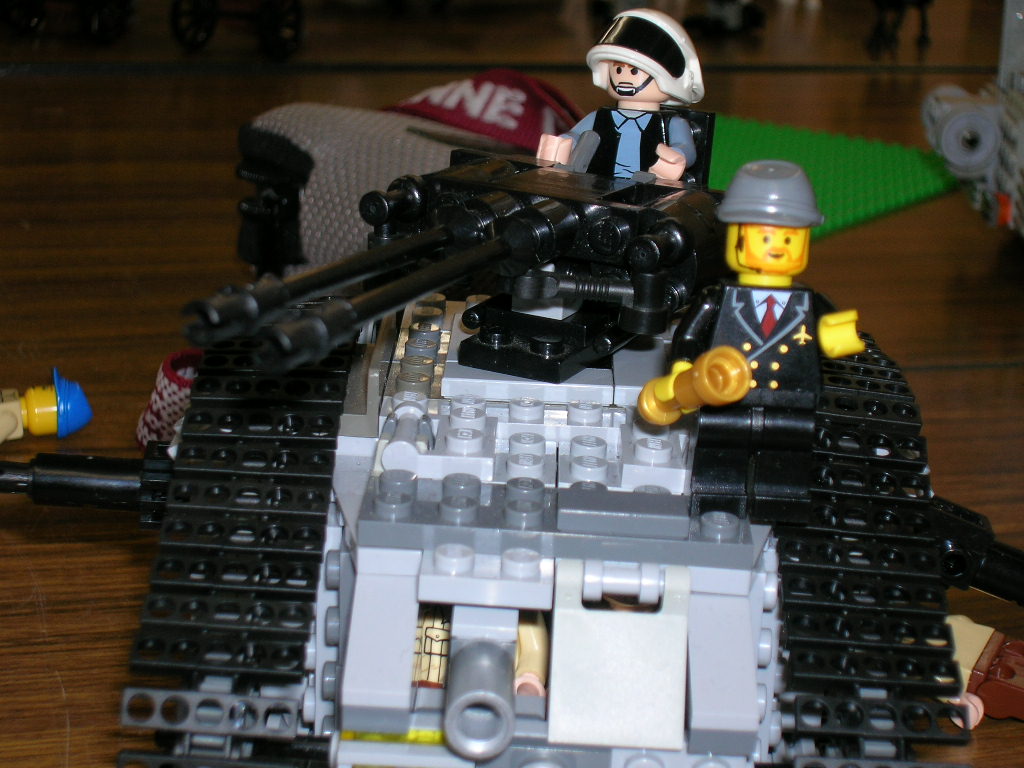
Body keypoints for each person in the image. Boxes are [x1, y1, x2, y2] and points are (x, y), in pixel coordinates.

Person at [637, 160, 864, 520]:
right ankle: (716, 508)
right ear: (736, 238)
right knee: (720, 460)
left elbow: (834, 336)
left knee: (785, 464)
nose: (777, 247)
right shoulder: (719, 298)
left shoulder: (809, 303)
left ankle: (780, 513)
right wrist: (683, 370)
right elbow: (689, 334)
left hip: (791, 401)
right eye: (765, 237)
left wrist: (838, 337)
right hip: (725, 403)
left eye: (789, 238)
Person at [536, 8, 704, 181]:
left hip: (647, 188)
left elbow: (686, 148)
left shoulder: (672, 123)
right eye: (618, 69)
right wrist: (564, 143)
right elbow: (575, 134)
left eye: (634, 71)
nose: (624, 78)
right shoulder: (600, 117)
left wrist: (677, 155)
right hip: (599, 186)